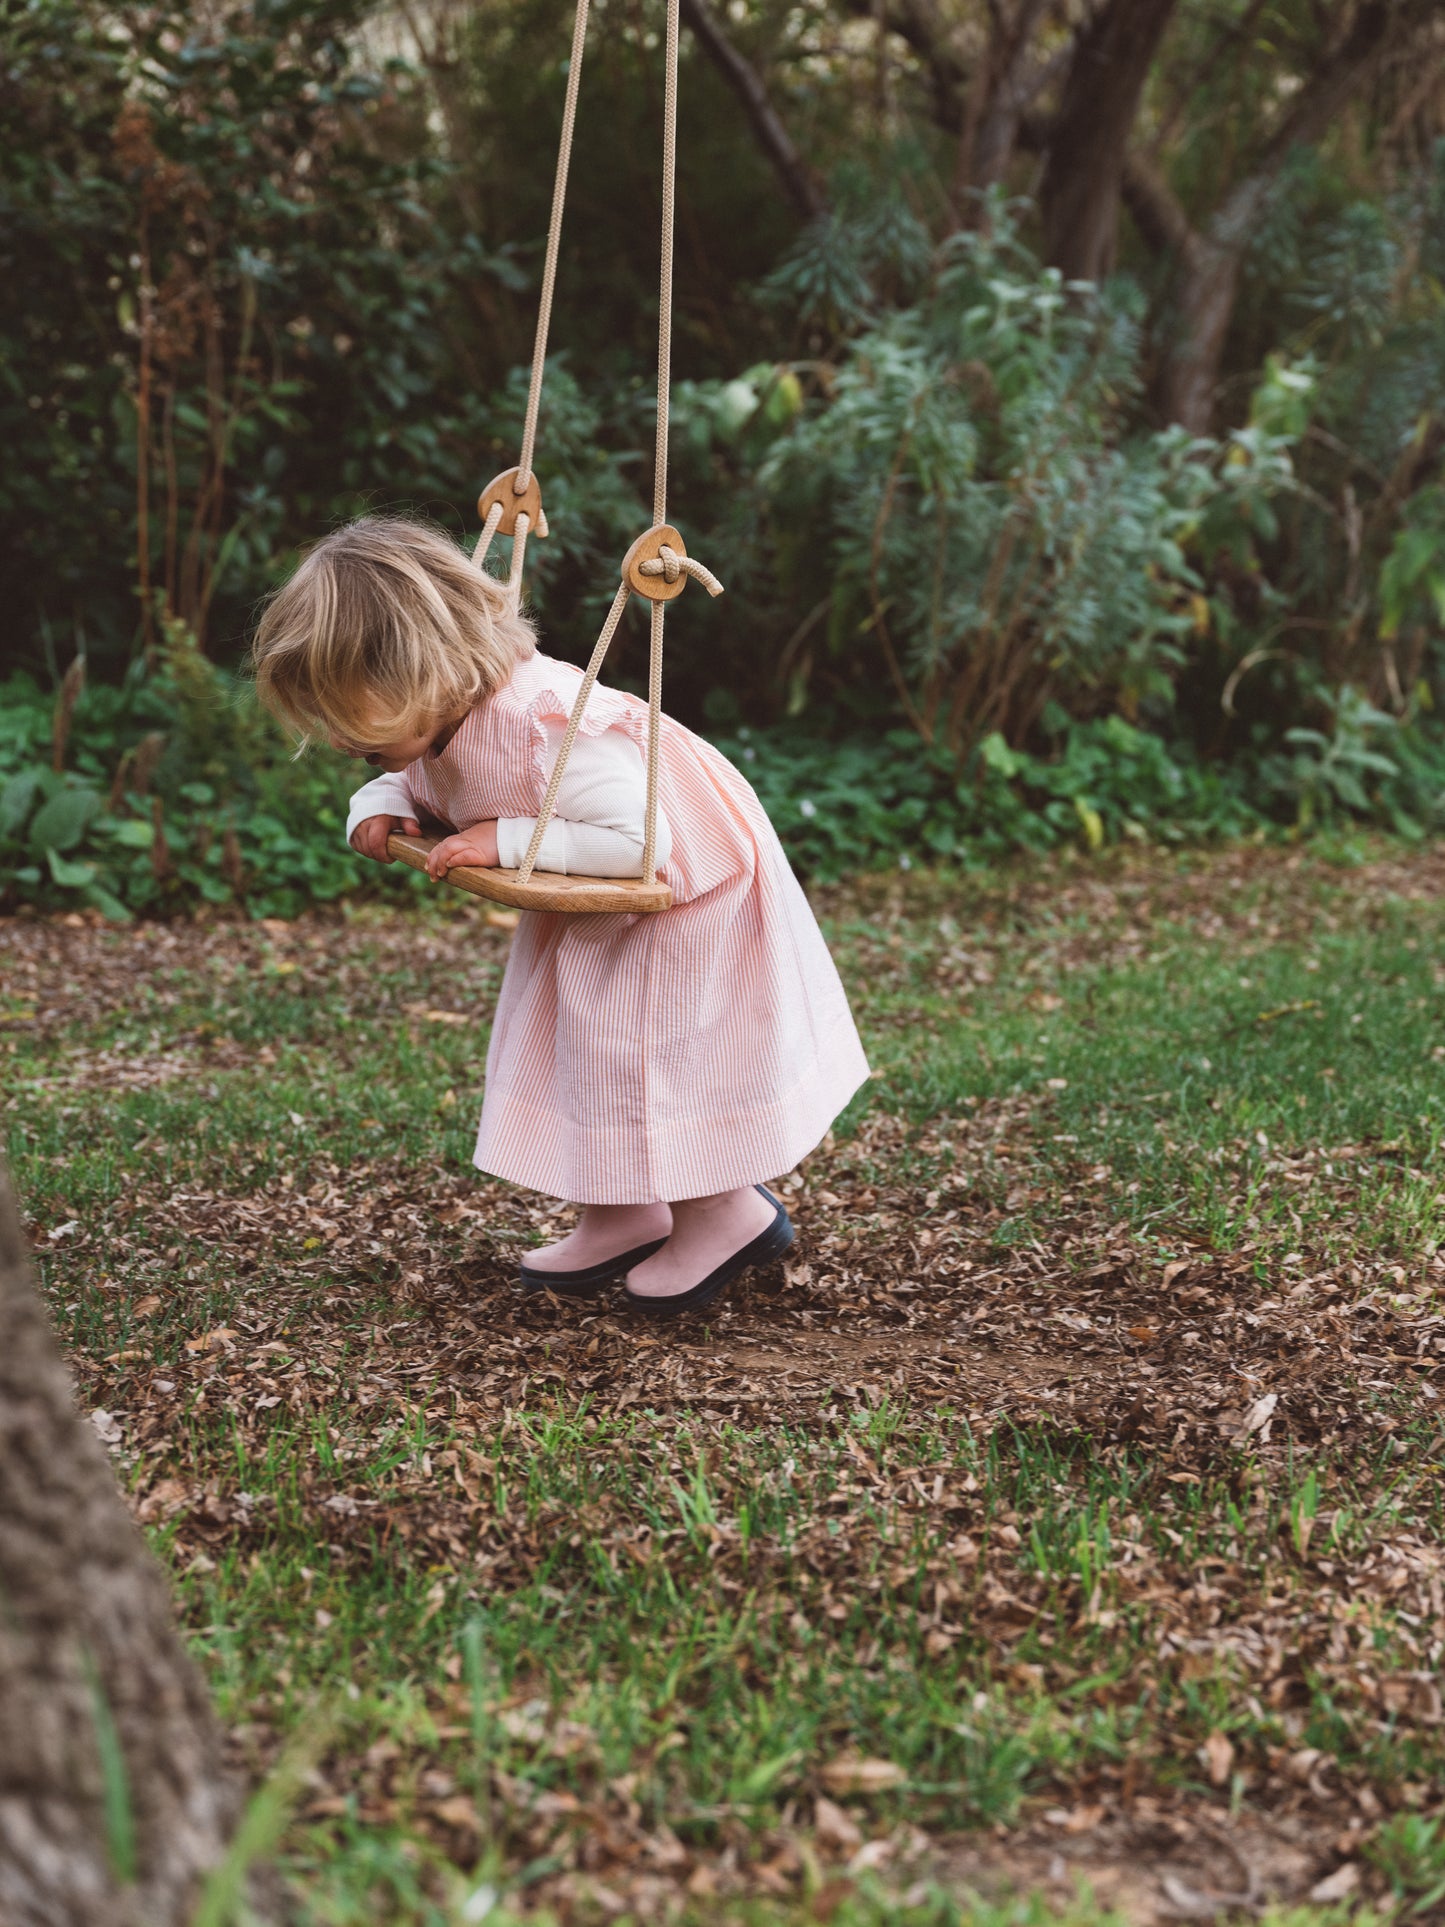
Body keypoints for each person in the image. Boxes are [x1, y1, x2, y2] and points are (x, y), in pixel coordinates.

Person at [251, 515, 869, 1314]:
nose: (336, 736)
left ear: (427, 671)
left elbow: (641, 840)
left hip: (688, 899)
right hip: (602, 907)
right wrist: (375, 802)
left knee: (662, 1053)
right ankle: (623, 1209)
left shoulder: (548, 726)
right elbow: (411, 780)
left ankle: (726, 1212)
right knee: (588, 1045)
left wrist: (502, 837)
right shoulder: (434, 714)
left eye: (348, 720)